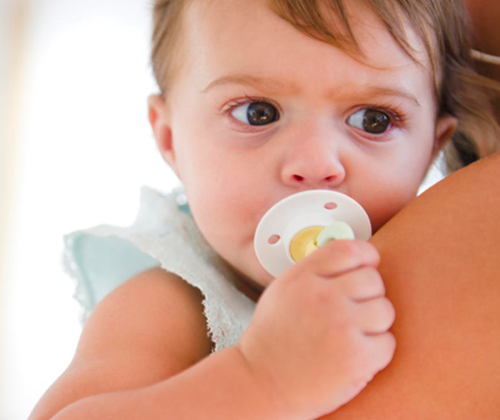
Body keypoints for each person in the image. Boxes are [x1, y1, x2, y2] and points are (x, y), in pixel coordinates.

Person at [31, 0, 500, 419]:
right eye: (258, 112)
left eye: (373, 120)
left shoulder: (427, 270)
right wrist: (260, 380)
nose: (317, 164)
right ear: (171, 139)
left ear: (431, 149)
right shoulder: (171, 301)